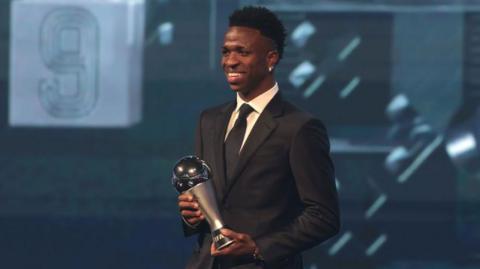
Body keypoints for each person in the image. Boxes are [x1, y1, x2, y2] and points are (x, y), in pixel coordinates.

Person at [177, 6, 340, 269]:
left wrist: (257, 248)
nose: (230, 61)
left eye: (243, 52)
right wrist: (191, 216)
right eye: (226, 52)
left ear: (271, 58)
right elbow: (208, 205)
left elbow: (323, 216)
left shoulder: (300, 128)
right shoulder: (209, 121)